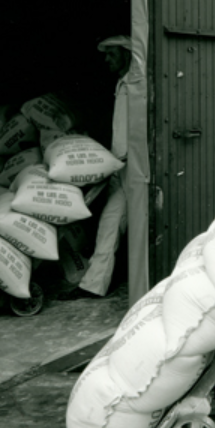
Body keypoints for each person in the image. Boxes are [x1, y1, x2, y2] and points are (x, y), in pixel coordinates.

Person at [77, 35, 133, 297]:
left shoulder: (138, 82)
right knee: (109, 224)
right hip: (118, 169)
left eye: (112, 54)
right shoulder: (121, 83)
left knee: (144, 226)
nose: (106, 60)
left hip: (137, 169)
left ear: (126, 53)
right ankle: (93, 286)